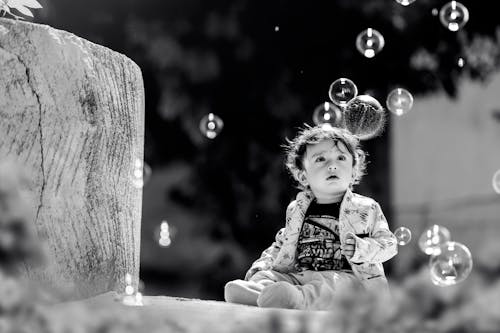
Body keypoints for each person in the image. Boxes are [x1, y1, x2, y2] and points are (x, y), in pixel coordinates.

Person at [224, 124, 398, 310]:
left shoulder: (366, 208)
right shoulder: (297, 209)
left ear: (354, 171)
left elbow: (389, 244)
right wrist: (260, 268)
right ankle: (261, 291)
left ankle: (295, 299)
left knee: (331, 287)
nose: (332, 165)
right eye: (320, 159)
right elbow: (280, 245)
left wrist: (361, 248)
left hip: (346, 277)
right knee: (269, 278)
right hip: (301, 274)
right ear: (303, 176)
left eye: (341, 158)